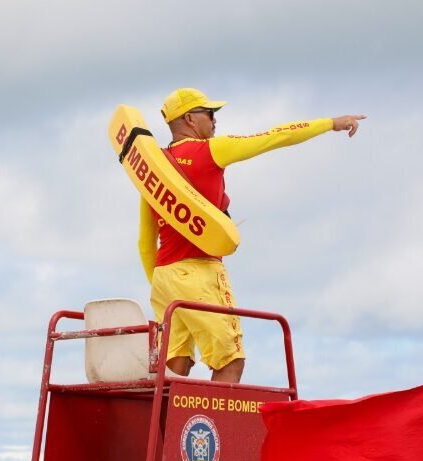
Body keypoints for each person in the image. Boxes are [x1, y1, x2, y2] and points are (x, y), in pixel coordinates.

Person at [139, 87, 365, 383]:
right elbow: (273, 137)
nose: (215, 120)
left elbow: (145, 242)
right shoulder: (210, 151)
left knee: (175, 365)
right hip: (200, 273)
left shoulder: (155, 171)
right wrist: (330, 123)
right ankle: (211, 431)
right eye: (210, 114)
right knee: (230, 362)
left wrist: (161, 285)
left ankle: (159, 430)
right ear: (191, 120)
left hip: (164, 278)